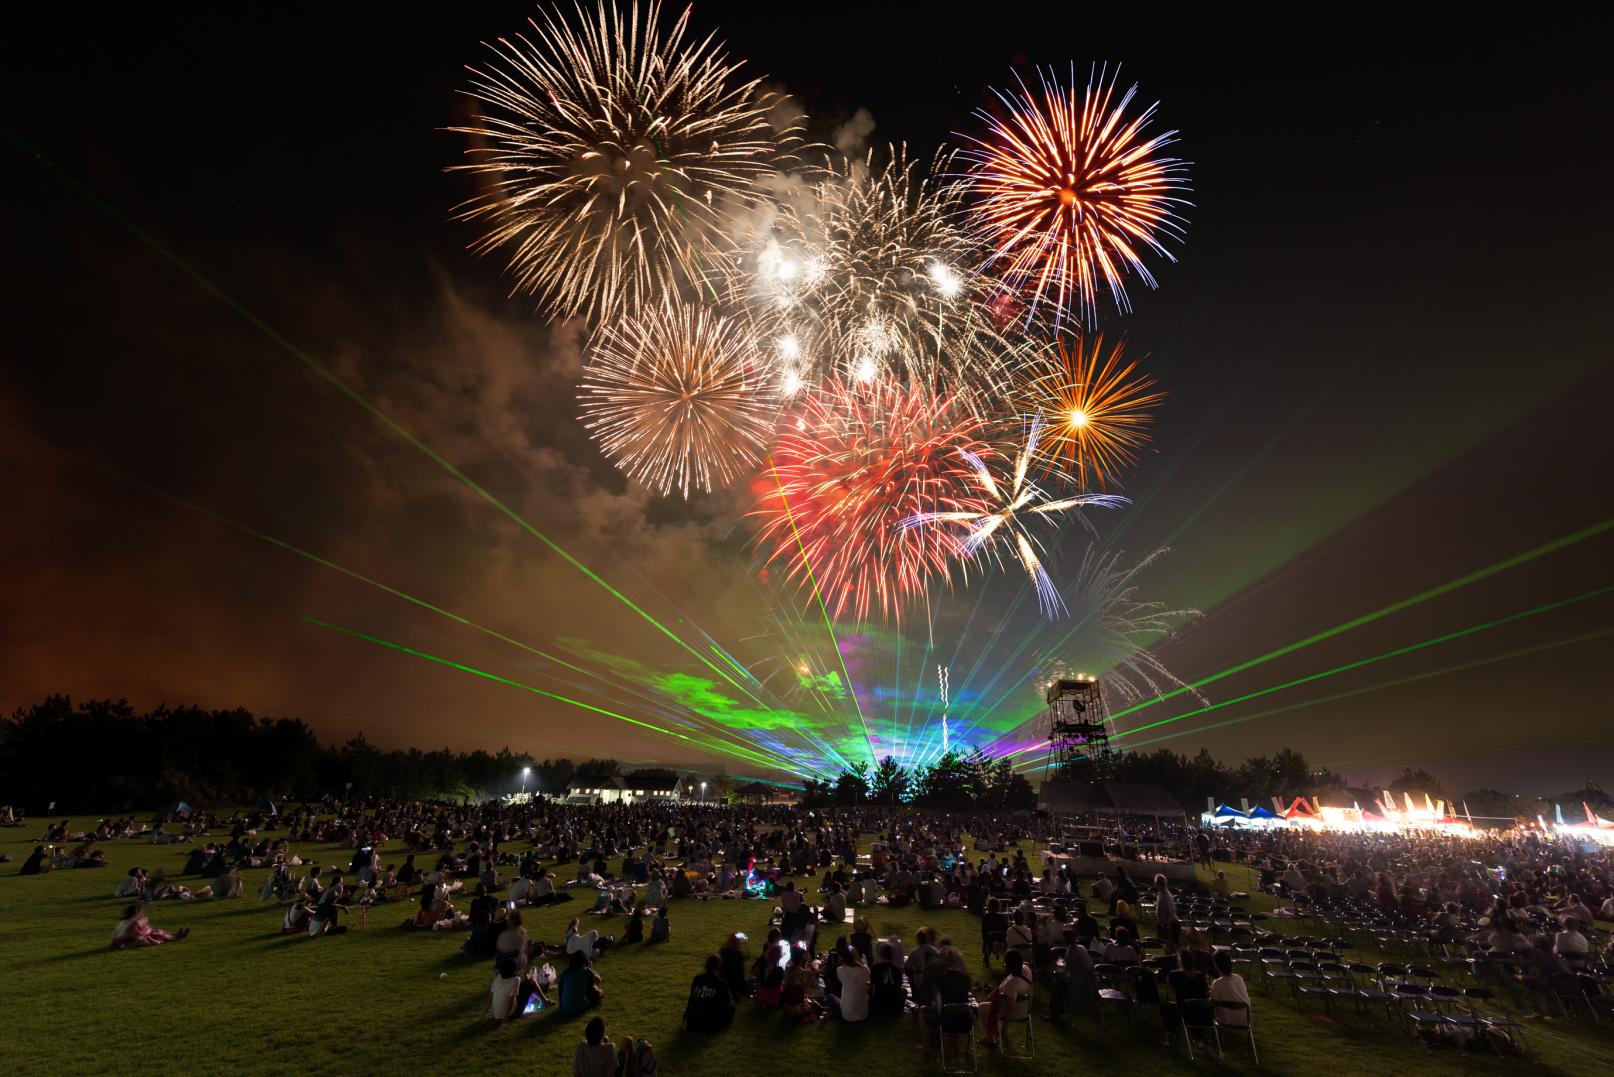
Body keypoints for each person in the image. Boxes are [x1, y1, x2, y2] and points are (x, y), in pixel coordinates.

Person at [981, 949, 1033, 1045]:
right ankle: (995, 1033)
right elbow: (1026, 964)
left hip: (1012, 1011)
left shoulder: (1012, 983)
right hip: (1025, 1009)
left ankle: (990, 1038)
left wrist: (1005, 1027)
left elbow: (1010, 1007)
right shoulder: (1026, 969)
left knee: (980, 1008)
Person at [684, 954, 735, 1032]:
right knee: (731, 1005)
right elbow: (728, 1001)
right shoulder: (720, 983)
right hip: (709, 1024)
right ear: (718, 967)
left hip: (692, 1022)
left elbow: (692, 998)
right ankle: (724, 1024)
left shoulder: (697, 979)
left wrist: (686, 1015)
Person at [110, 902, 188, 948]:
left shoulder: (131, 920)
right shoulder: (131, 921)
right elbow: (131, 934)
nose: (141, 913)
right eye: (140, 911)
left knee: (158, 932)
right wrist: (145, 932)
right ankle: (174, 937)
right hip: (124, 942)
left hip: (126, 939)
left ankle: (176, 935)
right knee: (145, 938)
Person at [1209, 951, 1251, 1027]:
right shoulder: (1239, 978)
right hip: (1245, 1019)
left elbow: (1212, 1001)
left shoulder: (1218, 983)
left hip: (1226, 1020)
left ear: (1216, 965)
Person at [558, 950, 604, 1017]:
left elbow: (560, 988)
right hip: (580, 1008)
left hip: (564, 1008)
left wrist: (561, 1005)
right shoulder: (587, 971)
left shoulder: (566, 972)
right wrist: (591, 967)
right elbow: (598, 980)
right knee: (599, 991)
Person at [870, 942, 906, 1016]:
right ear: (892, 956)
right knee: (904, 991)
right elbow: (899, 987)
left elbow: (872, 985)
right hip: (894, 1008)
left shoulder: (874, 968)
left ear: (880, 954)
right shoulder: (897, 970)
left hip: (878, 1006)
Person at [837, 947, 871, 1022]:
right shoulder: (865, 969)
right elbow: (868, 980)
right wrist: (859, 959)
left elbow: (842, 981)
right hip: (863, 1013)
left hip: (847, 1014)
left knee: (831, 997)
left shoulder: (840, 970)